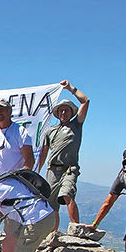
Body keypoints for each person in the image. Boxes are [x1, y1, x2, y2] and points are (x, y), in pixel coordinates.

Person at [38, 80, 90, 227]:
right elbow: (44, 152)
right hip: (52, 171)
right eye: (61, 110)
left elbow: (85, 101)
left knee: (67, 195)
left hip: (69, 169)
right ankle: (53, 234)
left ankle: (76, 230)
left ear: (71, 112)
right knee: (51, 204)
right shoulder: (50, 131)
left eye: (66, 110)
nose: (63, 113)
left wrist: (70, 88)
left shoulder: (76, 125)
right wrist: (37, 170)